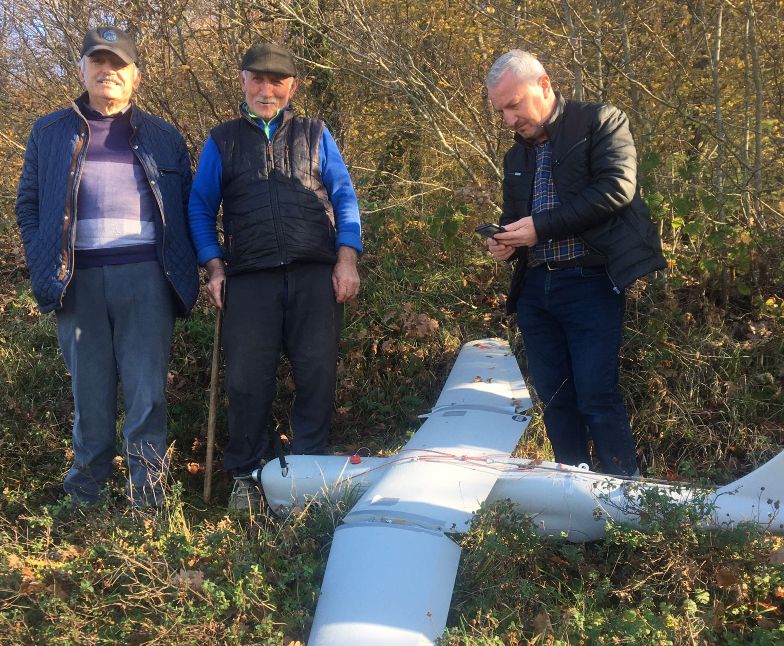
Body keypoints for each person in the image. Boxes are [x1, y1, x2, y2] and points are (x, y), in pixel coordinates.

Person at [15, 26, 199, 506]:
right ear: (81, 71)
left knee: (146, 394)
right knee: (90, 395)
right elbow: (28, 204)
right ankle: (85, 494)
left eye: (118, 65)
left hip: (146, 277)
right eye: (98, 62)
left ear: (135, 76)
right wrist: (42, 260)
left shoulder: (163, 135)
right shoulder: (49, 132)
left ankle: (149, 495)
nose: (108, 72)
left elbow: (186, 206)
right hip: (76, 279)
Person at [189, 42, 362, 509]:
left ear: (292, 86)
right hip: (249, 278)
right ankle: (247, 475)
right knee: (247, 379)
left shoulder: (316, 132)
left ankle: (307, 475)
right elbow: (200, 208)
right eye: (258, 79)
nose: (267, 89)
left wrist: (347, 258)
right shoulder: (221, 139)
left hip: (315, 275)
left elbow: (344, 196)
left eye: (277, 81)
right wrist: (214, 266)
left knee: (317, 374)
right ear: (243, 81)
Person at [485, 50, 665, 476]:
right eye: (501, 111)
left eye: (514, 105)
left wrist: (539, 228)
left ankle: (629, 497)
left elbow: (616, 189)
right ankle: (574, 494)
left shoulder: (601, 121)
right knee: (555, 397)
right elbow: (517, 219)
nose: (509, 120)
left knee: (596, 395)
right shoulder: (515, 157)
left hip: (592, 283)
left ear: (544, 85)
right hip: (534, 290)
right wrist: (506, 241)